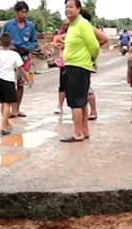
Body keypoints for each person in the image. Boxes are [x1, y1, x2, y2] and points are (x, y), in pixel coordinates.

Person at [56, 0, 100, 142]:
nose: (68, 9)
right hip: (74, 66)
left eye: (71, 7)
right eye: (66, 7)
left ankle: (77, 133)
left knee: (75, 102)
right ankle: (84, 130)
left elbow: (94, 46)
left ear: (79, 9)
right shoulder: (73, 26)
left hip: (78, 67)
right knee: (81, 101)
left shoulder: (82, 24)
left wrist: (91, 59)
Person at [1, 2, 38, 118]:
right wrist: (10, 45)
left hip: (24, 58)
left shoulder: (30, 26)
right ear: (16, 12)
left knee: (20, 83)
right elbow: (2, 38)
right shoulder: (8, 25)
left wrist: (28, 48)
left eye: (26, 12)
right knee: (10, 82)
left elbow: (34, 41)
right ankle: (10, 108)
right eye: (22, 12)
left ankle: (16, 109)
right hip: (10, 57)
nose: (24, 14)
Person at [0, 33, 25, 136]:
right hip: (9, 80)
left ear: (0, 43)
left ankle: (6, 123)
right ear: (11, 43)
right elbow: (21, 69)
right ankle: (3, 126)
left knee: (3, 102)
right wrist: (27, 79)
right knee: (8, 104)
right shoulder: (14, 54)